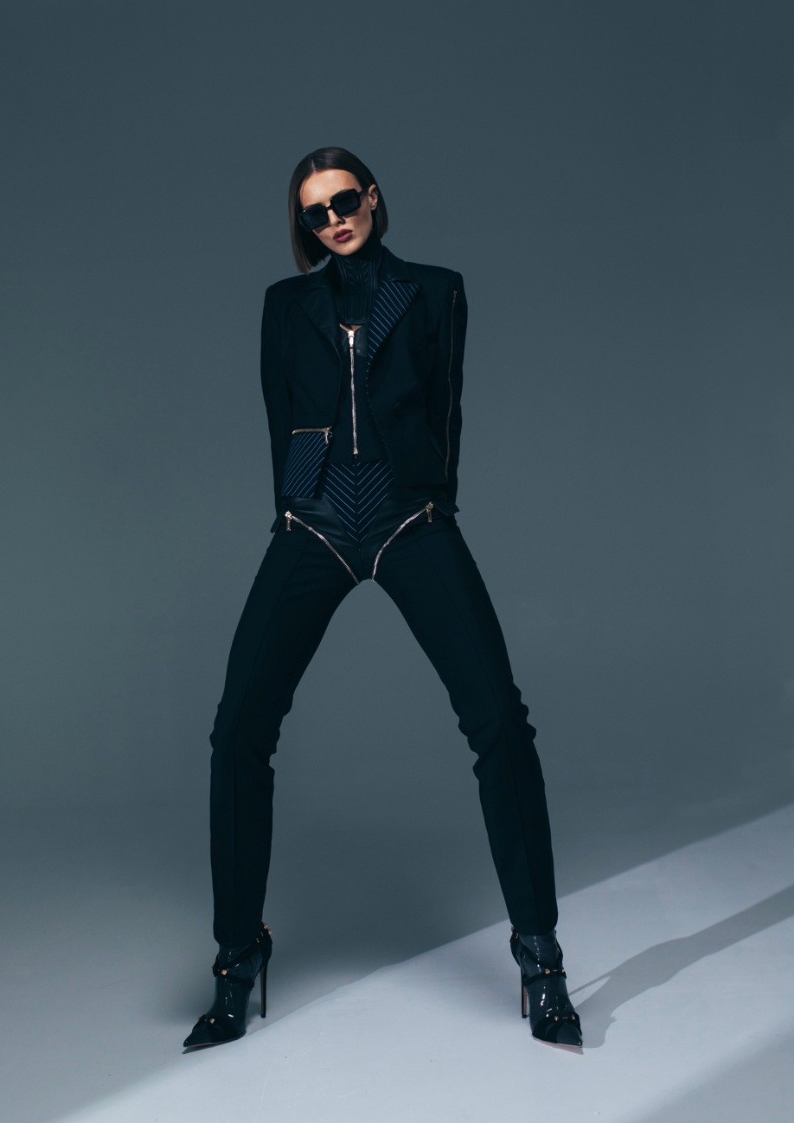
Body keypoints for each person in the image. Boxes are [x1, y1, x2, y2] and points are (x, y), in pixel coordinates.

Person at [183, 147, 582, 1051]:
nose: (334, 220)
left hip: (410, 519)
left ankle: (541, 955)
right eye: (315, 212)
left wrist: (432, 498)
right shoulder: (285, 305)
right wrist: (294, 507)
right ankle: (237, 955)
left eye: (345, 201)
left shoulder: (436, 292)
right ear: (303, 225)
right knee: (239, 729)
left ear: (373, 197)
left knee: (499, 721)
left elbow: (446, 409)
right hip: (317, 523)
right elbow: (278, 411)